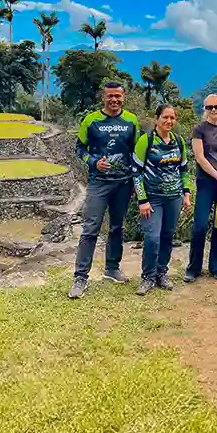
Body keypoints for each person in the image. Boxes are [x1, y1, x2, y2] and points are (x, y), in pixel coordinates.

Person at [69, 81, 142, 299]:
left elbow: (137, 152)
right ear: (104, 97)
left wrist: (136, 182)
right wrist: (93, 162)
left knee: (117, 227)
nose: (114, 100)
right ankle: (80, 277)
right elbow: (79, 148)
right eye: (110, 96)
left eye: (118, 96)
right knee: (90, 228)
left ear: (123, 97)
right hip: (98, 182)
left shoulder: (131, 120)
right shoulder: (91, 120)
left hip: (123, 183)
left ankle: (112, 268)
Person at [132, 104, 193, 294]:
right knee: (152, 238)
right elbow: (136, 171)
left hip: (174, 198)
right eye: (165, 117)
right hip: (152, 198)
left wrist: (186, 194)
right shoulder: (146, 141)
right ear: (157, 118)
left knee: (167, 236)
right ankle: (147, 277)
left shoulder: (178, 141)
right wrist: (142, 200)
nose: (169, 121)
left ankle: (161, 273)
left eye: (172, 118)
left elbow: (184, 170)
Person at [185, 94, 217, 283]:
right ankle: (194, 268)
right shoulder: (199, 130)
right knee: (200, 226)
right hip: (206, 182)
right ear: (204, 109)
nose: (214, 110)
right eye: (210, 107)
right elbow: (200, 158)